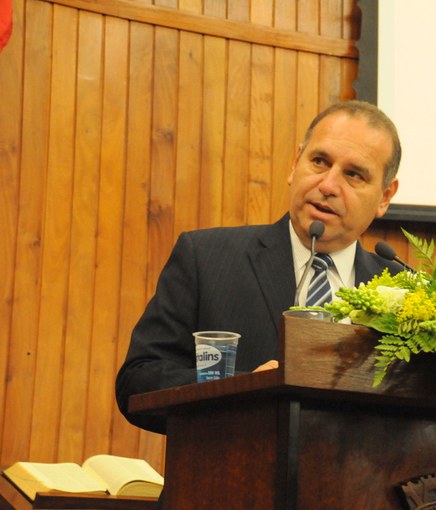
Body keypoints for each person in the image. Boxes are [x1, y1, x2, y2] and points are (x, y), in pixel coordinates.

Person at [115, 100, 403, 434]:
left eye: (353, 175)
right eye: (319, 162)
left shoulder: (406, 294)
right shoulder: (206, 259)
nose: (327, 185)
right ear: (295, 164)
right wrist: (242, 392)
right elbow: (139, 379)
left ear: (385, 196)